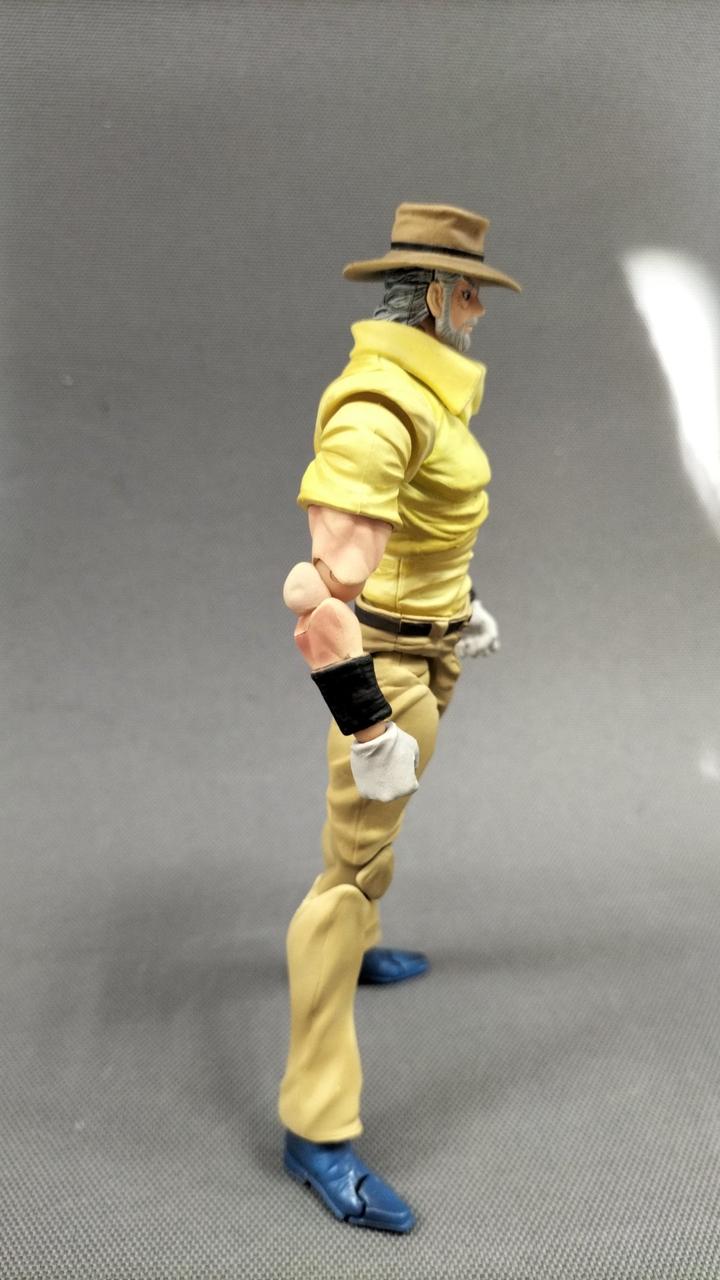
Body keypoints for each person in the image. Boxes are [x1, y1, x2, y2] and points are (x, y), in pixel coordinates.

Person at [279, 202, 521, 1232]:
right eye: (470, 291)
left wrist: (459, 606)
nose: (479, 308)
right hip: (384, 670)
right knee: (342, 880)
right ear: (435, 295)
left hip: (431, 645)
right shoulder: (379, 409)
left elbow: (428, 529)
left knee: (370, 846)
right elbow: (318, 596)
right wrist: (370, 725)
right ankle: (316, 1125)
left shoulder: (430, 393)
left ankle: (365, 928)